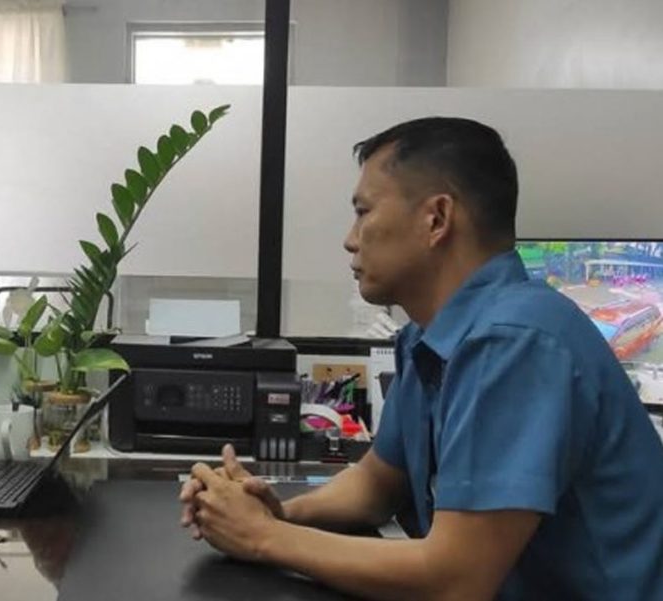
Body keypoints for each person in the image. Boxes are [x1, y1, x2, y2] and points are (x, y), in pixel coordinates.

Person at [179, 117, 663, 600]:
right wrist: (276, 514)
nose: (351, 238)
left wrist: (263, 538)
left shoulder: (514, 342)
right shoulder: (428, 340)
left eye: (364, 212)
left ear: (436, 219)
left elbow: (457, 579)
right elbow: (374, 484)